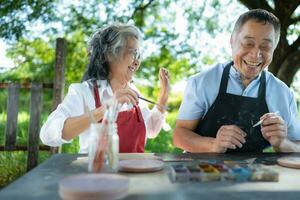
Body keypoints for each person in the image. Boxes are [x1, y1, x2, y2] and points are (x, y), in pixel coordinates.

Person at [173, 9, 300, 153]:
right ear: (232, 41)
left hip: (256, 175)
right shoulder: (202, 82)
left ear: (274, 49)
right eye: (248, 43)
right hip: (203, 172)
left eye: (265, 47)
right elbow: (179, 135)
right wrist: (213, 145)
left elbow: (297, 146)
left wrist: (282, 143)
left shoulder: (283, 93)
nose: (255, 54)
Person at [40, 23, 170, 153]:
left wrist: (164, 94)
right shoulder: (84, 91)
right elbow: (47, 135)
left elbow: (151, 130)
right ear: (109, 55)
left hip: (133, 171)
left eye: (138, 55)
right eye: (132, 53)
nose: (137, 61)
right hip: (97, 172)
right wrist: (103, 110)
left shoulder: (134, 92)